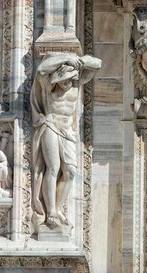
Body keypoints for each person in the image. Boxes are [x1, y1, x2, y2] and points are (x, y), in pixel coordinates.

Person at [31, 53, 101, 231]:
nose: (66, 83)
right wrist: (64, 59)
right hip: (51, 126)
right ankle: (51, 212)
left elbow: (97, 64)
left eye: (70, 79)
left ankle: (59, 206)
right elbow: (41, 69)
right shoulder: (49, 86)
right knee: (53, 167)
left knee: (70, 172)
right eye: (63, 79)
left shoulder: (76, 84)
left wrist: (77, 60)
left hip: (68, 131)